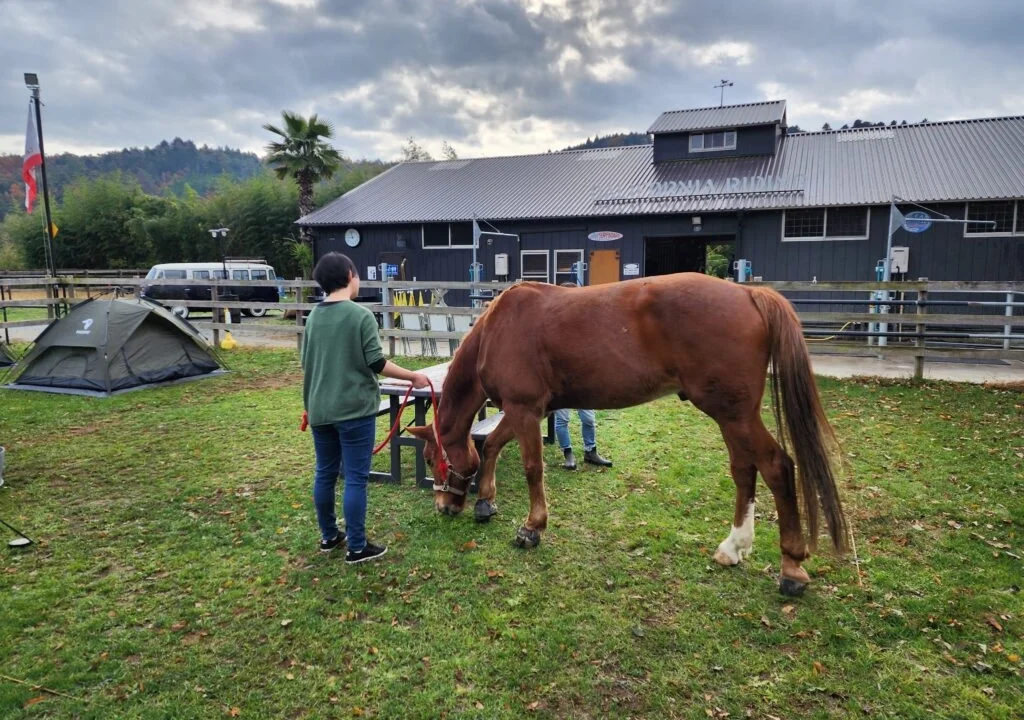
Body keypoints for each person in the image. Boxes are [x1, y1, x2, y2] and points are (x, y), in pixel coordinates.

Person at [302, 252, 429, 564]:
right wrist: (414, 376)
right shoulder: (360, 316)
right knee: (356, 478)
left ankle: (329, 536)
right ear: (349, 276)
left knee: (325, 473)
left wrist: (310, 405)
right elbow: (376, 362)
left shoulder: (313, 317)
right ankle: (357, 546)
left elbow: (308, 364)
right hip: (354, 411)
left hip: (320, 409)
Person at [555, 281, 612, 470]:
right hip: (560, 381)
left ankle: (591, 451)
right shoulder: (554, 323)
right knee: (562, 419)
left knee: (588, 418)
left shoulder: (586, 321)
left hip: (583, 380)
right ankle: (568, 454)